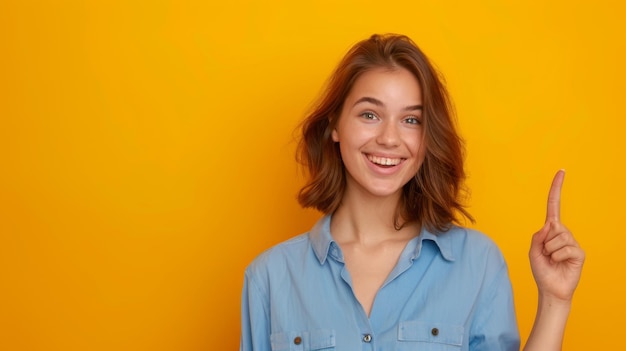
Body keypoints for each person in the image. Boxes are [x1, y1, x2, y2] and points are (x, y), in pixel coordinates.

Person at [240, 34, 584, 351]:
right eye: (370, 114)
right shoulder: (269, 278)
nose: (390, 138)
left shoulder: (477, 263)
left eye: (411, 120)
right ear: (334, 125)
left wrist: (556, 300)